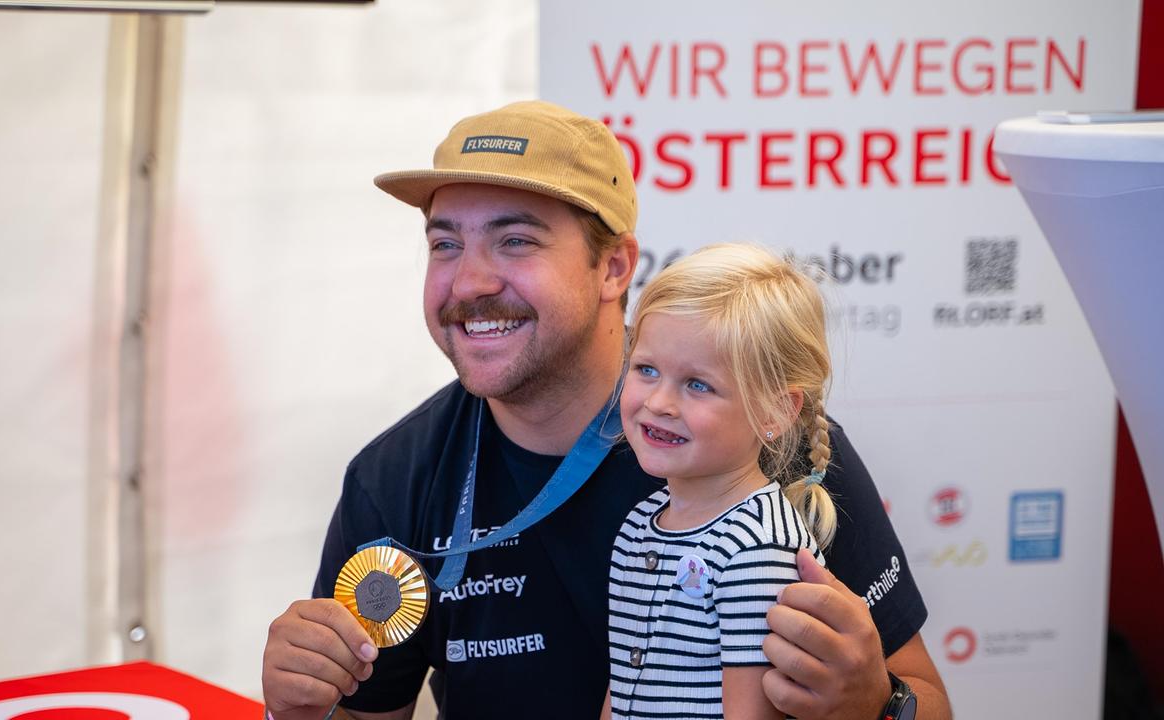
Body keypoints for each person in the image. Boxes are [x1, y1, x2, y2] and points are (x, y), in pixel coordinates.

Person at [262, 100, 950, 720]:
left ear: (615, 268)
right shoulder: (394, 478)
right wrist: (300, 711)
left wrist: (876, 704)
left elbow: (930, 701)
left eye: (516, 240)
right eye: (445, 243)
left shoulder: (772, 444)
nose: (468, 281)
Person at [605, 244, 838, 720]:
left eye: (698, 384)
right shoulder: (637, 527)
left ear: (775, 411)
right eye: (646, 370)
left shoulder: (755, 549)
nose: (660, 402)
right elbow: (625, 684)